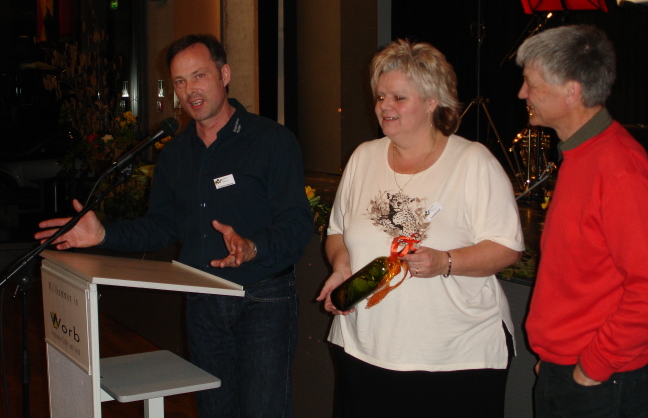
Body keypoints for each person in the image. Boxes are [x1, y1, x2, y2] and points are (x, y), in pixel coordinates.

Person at [35, 34, 313, 417]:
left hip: (263, 299)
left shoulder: (271, 140)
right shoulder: (175, 153)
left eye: (199, 76)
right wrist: (103, 234)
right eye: (180, 81)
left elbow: (297, 223)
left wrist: (253, 247)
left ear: (224, 74)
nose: (190, 90)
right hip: (202, 298)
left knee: (264, 410)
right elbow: (161, 226)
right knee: (213, 410)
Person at [316, 39, 524, 417]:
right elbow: (337, 233)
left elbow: (507, 248)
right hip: (364, 349)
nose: (385, 106)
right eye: (381, 97)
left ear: (432, 102)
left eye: (399, 98)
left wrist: (445, 261)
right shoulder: (363, 157)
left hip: (455, 359)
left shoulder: (472, 162)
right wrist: (342, 268)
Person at [517, 24, 648, 417]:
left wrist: (590, 368)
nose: (522, 94)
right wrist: (555, 360)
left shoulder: (620, 167)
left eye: (531, 84)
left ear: (571, 92)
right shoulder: (580, 153)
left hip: (601, 382)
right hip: (567, 370)